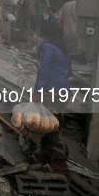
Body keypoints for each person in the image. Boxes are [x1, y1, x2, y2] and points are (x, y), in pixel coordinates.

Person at [31, 20, 72, 172]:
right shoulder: (64, 47)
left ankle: (61, 161)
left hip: (52, 90)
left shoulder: (46, 47)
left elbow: (44, 70)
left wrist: (37, 91)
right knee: (50, 123)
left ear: (42, 33)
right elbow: (68, 70)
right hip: (64, 90)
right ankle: (45, 154)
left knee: (52, 126)